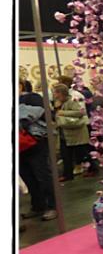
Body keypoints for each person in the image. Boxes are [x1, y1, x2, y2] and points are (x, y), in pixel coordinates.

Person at [19, 81, 57, 221]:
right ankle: (38, 205)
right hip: (19, 145)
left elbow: (43, 113)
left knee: (42, 174)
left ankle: (52, 206)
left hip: (34, 142)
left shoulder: (32, 97)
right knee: (28, 177)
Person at [52, 83, 91, 182]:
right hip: (65, 133)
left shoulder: (72, 101)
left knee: (82, 152)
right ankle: (68, 174)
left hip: (76, 132)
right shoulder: (58, 103)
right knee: (66, 155)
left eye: (55, 92)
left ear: (60, 93)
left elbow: (80, 112)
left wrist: (63, 113)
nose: (53, 94)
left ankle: (92, 169)